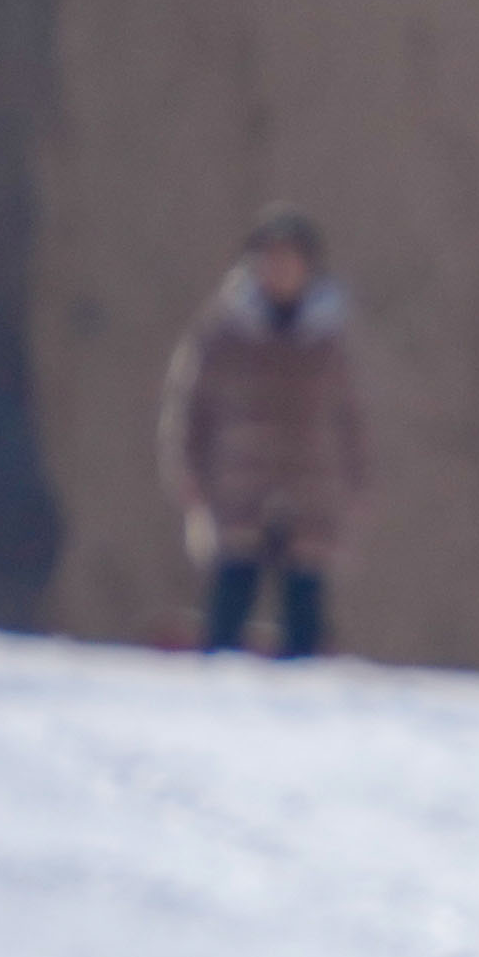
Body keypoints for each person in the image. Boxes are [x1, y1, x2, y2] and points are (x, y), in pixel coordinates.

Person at [158, 206, 365, 661]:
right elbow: (190, 405)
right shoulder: (222, 334)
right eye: (271, 260)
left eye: (290, 260)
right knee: (229, 607)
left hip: (311, 491)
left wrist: (354, 484)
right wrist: (188, 470)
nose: (280, 270)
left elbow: (350, 418)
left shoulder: (328, 341)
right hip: (237, 487)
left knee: (305, 616)